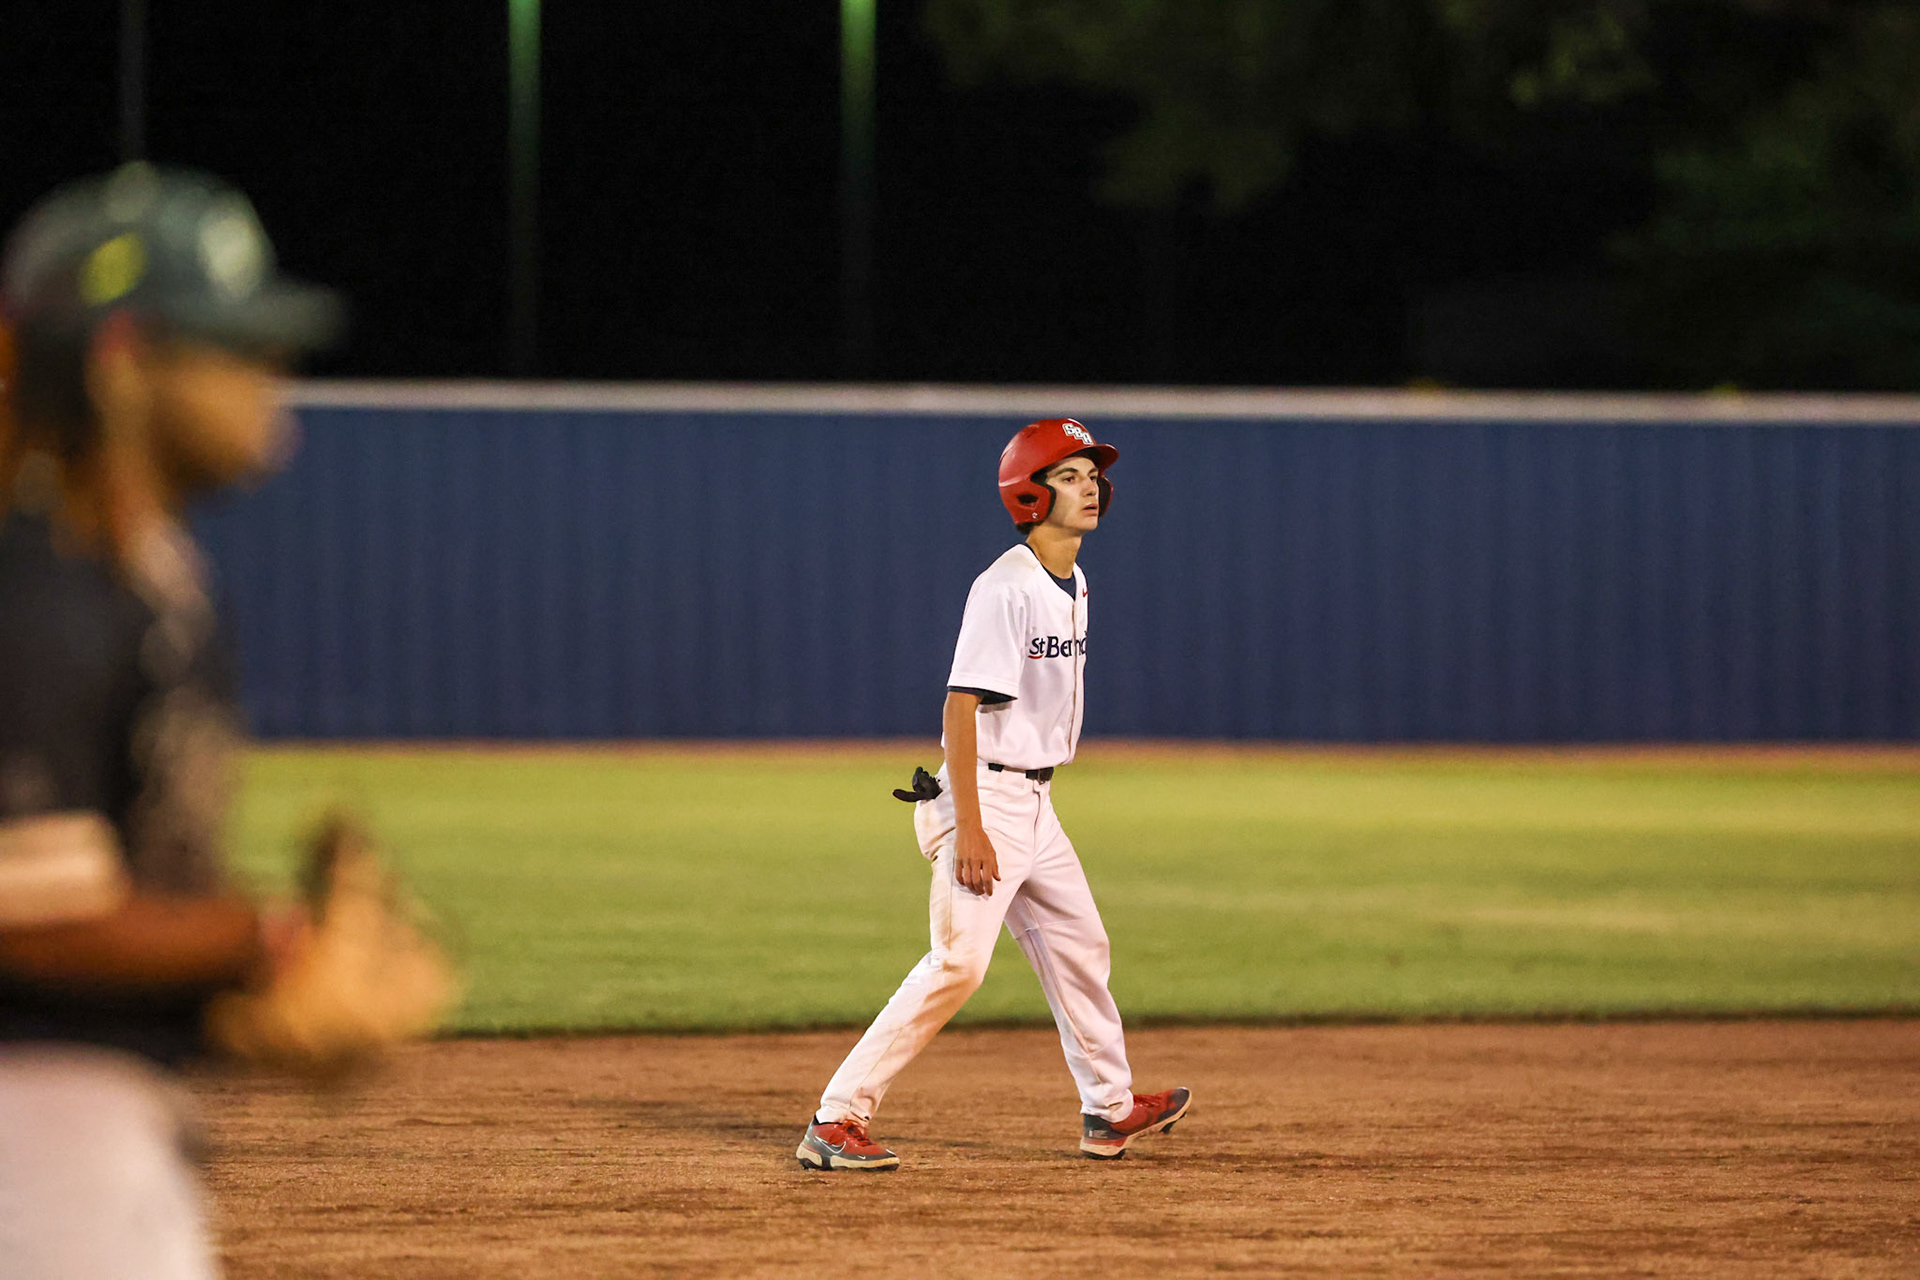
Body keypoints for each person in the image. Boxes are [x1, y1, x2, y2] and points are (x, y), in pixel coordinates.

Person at [0, 163, 340, 1277]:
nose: (268, 376)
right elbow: (26, 910)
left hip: (94, 1130)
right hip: (33, 1144)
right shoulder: (41, 590)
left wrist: (229, 994)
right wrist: (268, 940)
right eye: (233, 346)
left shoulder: (153, 582)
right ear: (122, 363)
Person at [797, 417, 1191, 1171]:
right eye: (1069, 475)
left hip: (1036, 804)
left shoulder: (1073, 580)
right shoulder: (1004, 587)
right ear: (1028, 495)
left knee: (1081, 945)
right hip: (985, 798)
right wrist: (971, 828)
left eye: (1091, 474)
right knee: (958, 964)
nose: (1090, 487)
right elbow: (960, 707)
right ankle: (835, 1118)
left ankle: (1110, 1111)